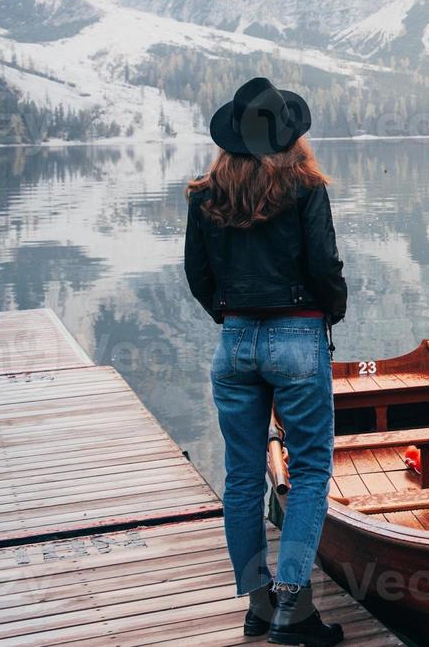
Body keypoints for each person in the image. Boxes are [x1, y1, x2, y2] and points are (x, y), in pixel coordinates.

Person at [184, 78, 347, 647]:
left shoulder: (205, 195)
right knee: (309, 474)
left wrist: (232, 319)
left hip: (234, 343)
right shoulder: (305, 188)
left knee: (243, 478)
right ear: (290, 137)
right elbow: (325, 265)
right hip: (298, 336)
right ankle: (293, 609)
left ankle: (257, 604)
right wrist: (332, 310)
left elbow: (197, 276)